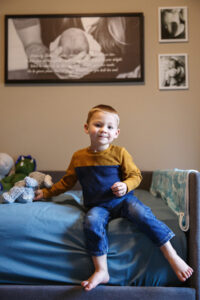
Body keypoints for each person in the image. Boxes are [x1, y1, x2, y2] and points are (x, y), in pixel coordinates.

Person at [34, 104, 193, 291]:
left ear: (116, 132)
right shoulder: (79, 157)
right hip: (98, 205)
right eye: (98, 125)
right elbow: (67, 182)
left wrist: (125, 185)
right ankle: (102, 270)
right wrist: (46, 192)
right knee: (92, 222)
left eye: (109, 127)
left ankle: (171, 254)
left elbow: (136, 176)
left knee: (141, 214)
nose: (103, 130)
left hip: (123, 201)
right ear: (86, 128)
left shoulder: (120, 153)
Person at [12, 16, 141, 79]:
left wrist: (104, 62)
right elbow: (31, 44)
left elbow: (138, 60)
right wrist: (49, 61)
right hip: (48, 92)